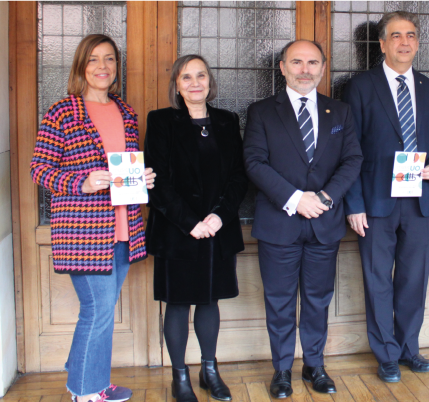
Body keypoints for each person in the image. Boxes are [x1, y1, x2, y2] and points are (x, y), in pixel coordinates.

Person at [30, 34, 156, 402]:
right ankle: (86, 391)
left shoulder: (125, 112)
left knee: (102, 309)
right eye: (94, 60)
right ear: (81, 66)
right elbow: (40, 169)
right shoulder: (63, 112)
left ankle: (87, 375)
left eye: (109, 59)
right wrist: (80, 182)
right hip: (83, 233)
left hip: (124, 228)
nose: (103, 67)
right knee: (98, 310)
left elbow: (125, 167)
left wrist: (142, 178)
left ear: (117, 66)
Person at [243, 40, 362, 398]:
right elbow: (254, 163)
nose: (305, 69)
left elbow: (353, 160)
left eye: (312, 62)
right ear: (282, 67)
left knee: (318, 298)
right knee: (279, 300)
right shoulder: (262, 111)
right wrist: (296, 200)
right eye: (297, 62)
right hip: (280, 223)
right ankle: (282, 370)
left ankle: (314, 365)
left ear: (323, 68)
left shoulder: (339, 111)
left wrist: (324, 198)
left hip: (324, 222)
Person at [341, 11, 429, 383]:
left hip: (419, 200)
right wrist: (353, 204)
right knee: (378, 280)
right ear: (383, 43)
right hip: (375, 203)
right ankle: (386, 353)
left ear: (417, 42)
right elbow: (349, 151)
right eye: (396, 35)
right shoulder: (360, 87)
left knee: (413, 279)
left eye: (411, 35)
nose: (405, 42)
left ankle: (409, 349)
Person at [145, 55, 248, 402]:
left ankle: (209, 370)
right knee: (177, 304)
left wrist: (219, 217)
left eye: (200, 75)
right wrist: (191, 224)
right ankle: (180, 377)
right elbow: (156, 182)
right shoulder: (161, 122)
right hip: (177, 232)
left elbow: (238, 176)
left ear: (210, 81)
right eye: (186, 77)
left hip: (218, 229)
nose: (194, 82)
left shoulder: (226, 120)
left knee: (209, 301)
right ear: (176, 84)